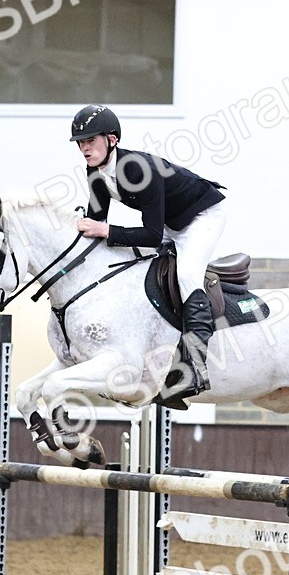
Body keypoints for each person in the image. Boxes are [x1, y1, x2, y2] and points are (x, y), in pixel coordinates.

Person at [69, 104, 227, 404]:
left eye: (91, 140)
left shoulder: (138, 169)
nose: (84, 148)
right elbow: (97, 222)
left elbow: (151, 237)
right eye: (80, 142)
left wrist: (105, 230)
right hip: (171, 222)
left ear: (112, 140)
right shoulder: (95, 171)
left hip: (201, 217)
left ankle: (195, 367)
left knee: (187, 274)